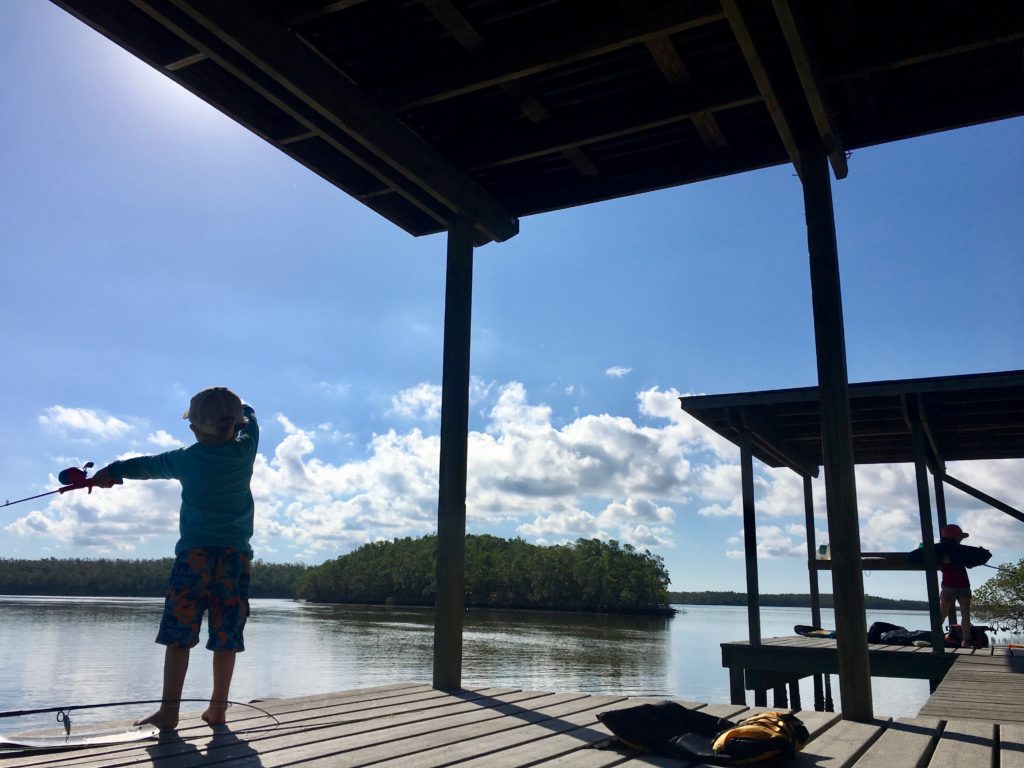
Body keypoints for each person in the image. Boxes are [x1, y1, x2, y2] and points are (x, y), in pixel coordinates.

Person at [92, 387, 258, 729]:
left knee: (179, 636)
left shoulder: (186, 458)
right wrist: (242, 409)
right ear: (234, 425)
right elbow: (252, 419)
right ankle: (218, 709)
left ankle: (169, 712)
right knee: (226, 637)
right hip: (234, 560)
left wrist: (111, 472)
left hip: (193, 559)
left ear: (196, 427)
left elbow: (145, 466)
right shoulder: (246, 449)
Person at [936, 523, 973, 648]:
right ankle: (936, 636)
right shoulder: (942, 551)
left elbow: (969, 564)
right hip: (951, 585)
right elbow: (942, 565)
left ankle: (966, 640)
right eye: (960, 537)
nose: (961, 539)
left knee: (964, 613)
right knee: (944, 613)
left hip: (959, 585)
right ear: (954, 537)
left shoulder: (958, 551)